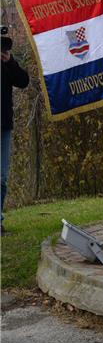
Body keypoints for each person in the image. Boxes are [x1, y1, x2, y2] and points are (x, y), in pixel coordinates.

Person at [1, 25, 30, 235]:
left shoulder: (6, 64)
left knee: (1, 176)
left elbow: (23, 81)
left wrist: (9, 62)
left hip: (3, 125)